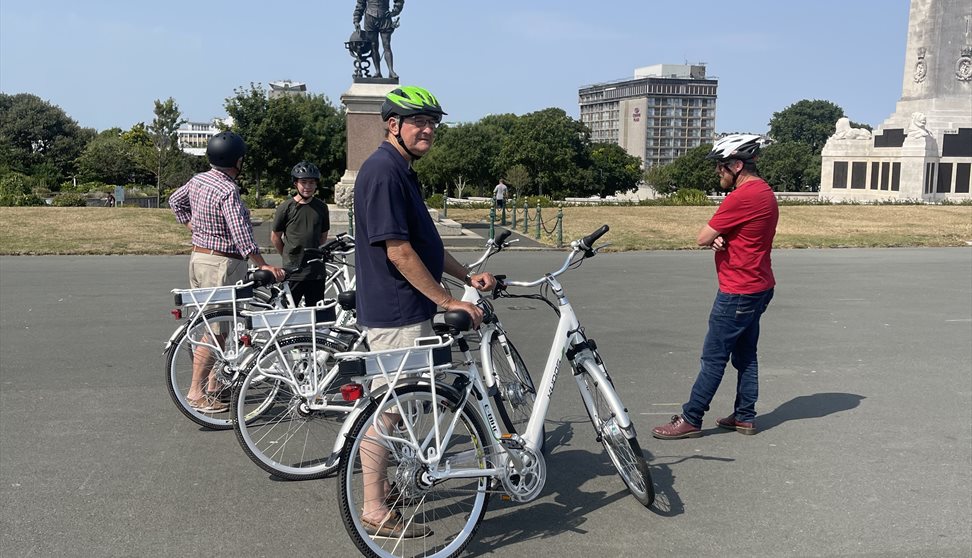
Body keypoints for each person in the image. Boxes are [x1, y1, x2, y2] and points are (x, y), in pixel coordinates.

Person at [353, 85, 496, 538]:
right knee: (390, 410)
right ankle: (374, 508)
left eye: (433, 120)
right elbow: (398, 251)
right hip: (397, 312)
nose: (429, 128)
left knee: (404, 405)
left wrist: (464, 276)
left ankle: (387, 491)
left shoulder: (402, 170)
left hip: (410, 306)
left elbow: (426, 245)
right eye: (419, 120)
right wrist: (447, 301)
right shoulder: (382, 172)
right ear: (392, 124)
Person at [652, 134, 778, 440]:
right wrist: (723, 238)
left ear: (737, 165)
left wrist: (716, 238)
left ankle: (691, 417)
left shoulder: (741, 197)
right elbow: (734, 234)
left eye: (721, 166)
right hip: (760, 285)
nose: (717, 172)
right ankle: (745, 416)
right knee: (746, 354)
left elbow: (702, 237)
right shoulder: (765, 192)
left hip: (738, 289)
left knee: (714, 357)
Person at [168, 131, 285, 413]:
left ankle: (213, 385)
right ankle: (197, 391)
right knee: (216, 331)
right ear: (238, 160)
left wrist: (193, 228)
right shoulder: (227, 190)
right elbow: (241, 232)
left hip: (198, 257)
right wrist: (262, 264)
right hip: (222, 263)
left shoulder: (198, 180)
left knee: (212, 324)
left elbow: (175, 201)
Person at [271, 161, 330, 307]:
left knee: (315, 314)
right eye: (303, 182)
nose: (308, 187)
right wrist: (287, 255)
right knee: (289, 313)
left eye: (312, 183)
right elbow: (275, 237)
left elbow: (323, 236)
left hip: (316, 271)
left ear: (316, 184)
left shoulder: (321, 207)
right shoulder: (286, 207)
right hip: (293, 271)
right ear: (295, 184)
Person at [353, 0, 404, 79]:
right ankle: (378, 71)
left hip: (385, 17)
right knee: (374, 46)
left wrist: (395, 11)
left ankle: (391, 71)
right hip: (370, 18)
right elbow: (360, 4)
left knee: (387, 46)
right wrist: (356, 20)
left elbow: (399, 1)